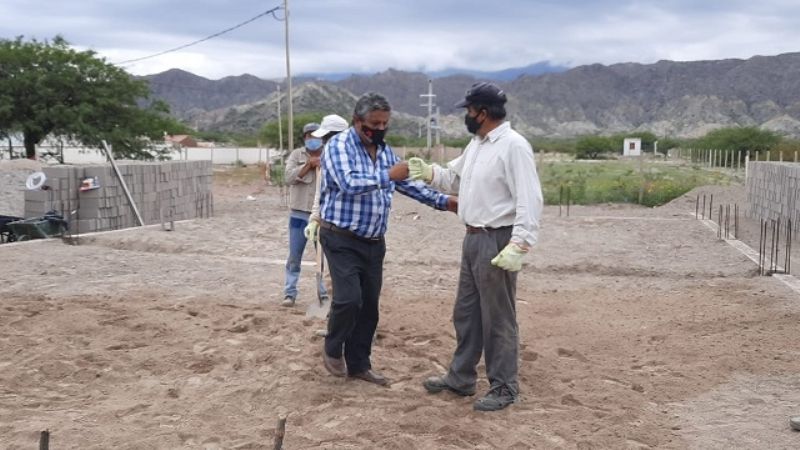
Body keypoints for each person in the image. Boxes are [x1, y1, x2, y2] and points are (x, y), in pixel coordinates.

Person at [407, 81, 543, 411]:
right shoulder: (478, 144)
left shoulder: (513, 146)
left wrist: (520, 244)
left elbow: (530, 198)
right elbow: (454, 178)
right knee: (466, 313)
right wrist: (428, 172)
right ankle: (461, 377)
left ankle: (505, 386)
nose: (466, 116)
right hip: (472, 238)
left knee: (498, 317)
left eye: (469, 110)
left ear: (483, 113)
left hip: (497, 239)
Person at [319, 92, 457, 386]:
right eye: (374, 123)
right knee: (348, 300)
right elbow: (349, 183)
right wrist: (387, 177)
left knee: (369, 307)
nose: (379, 129)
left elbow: (406, 183)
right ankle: (333, 346)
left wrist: (444, 202)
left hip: (373, 241)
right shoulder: (338, 146)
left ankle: (359, 364)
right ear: (357, 121)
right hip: (340, 237)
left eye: (385, 123)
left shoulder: (383, 151)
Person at [281, 122, 329, 307]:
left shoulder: (329, 155)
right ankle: (290, 293)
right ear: (305, 138)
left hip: (321, 217)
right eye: (309, 136)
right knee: (294, 256)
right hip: (298, 215)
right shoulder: (296, 155)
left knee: (321, 257)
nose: (313, 139)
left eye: (316, 136)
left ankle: (322, 294)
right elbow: (288, 178)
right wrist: (308, 165)